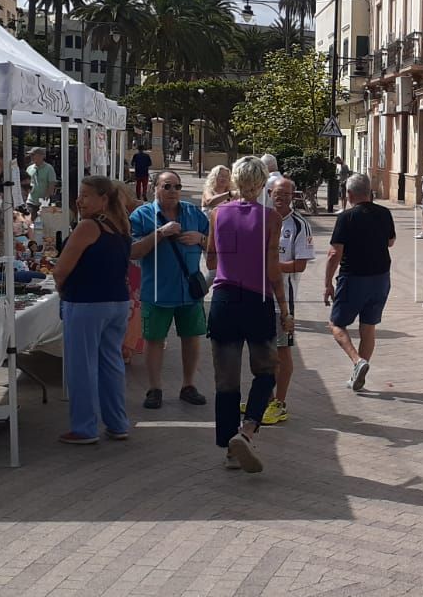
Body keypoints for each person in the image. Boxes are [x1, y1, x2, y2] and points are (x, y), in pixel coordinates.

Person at [207, 156, 292, 471]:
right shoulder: (271, 218)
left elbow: (211, 261)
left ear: (235, 182)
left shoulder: (217, 214)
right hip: (257, 299)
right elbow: (272, 268)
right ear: (262, 184)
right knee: (266, 371)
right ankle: (247, 429)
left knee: (226, 380)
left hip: (224, 299)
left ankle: (230, 448)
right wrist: (284, 306)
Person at [52, 174, 133, 445]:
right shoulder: (120, 226)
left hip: (87, 302)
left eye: (86, 195)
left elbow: (61, 269)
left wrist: (62, 290)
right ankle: (117, 422)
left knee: (82, 366)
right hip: (117, 302)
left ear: (103, 199)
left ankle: (85, 426)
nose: (80, 200)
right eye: (80, 194)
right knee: (111, 364)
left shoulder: (88, 227)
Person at [129, 170, 209, 409]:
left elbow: (215, 245)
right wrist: (160, 233)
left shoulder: (193, 213)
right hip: (157, 291)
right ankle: (155, 389)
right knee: (154, 340)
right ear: (154, 188)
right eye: (167, 186)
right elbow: (133, 252)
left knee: (191, 338)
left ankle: (188, 385)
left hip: (189, 291)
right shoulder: (142, 215)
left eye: (177, 186)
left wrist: (201, 239)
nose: (173, 191)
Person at [325, 172, 395, 391]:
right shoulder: (384, 213)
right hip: (381, 277)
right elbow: (391, 241)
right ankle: (358, 375)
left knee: (336, 324)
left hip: (353, 277)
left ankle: (358, 361)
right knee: (368, 327)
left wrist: (327, 282)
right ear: (370, 193)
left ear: (349, 194)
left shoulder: (346, 217)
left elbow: (334, 253)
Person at [262, 176, 314, 426]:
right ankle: (264, 398)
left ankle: (279, 404)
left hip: (281, 299)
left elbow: (300, 265)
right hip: (255, 295)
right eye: (276, 193)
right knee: (261, 351)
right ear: (269, 192)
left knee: (282, 352)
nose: (281, 197)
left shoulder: (299, 225)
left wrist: (271, 267)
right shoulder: (260, 218)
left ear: (294, 196)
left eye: (287, 194)